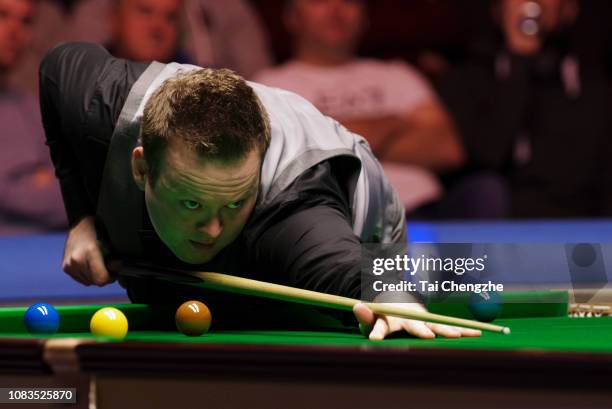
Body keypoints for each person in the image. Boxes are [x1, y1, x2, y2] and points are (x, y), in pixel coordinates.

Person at [39, 42, 481, 340]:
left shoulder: (295, 216)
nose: (212, 228)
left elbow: (351, 269)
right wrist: (82, 217)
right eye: (192, 201)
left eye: (233, 201)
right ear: (141, 167)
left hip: (364, 229)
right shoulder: (99, 103)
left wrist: (394, 297)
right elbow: (56, 65)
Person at [254, 0, 465, 211]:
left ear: (365, 17)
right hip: (323, 218)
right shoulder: (267, 85)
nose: (336, 9)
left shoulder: (398, 75)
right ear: (292, 17)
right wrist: (393, 123)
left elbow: (447, 150)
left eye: (349, 1)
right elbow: (284, 159)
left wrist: (327, 139)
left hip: (420, 211)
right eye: (319, 2)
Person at [441, 0, 612, 217]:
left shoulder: (595, 91)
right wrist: (518, 61)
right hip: (491, 232)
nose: (532, 3)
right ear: (498, 10)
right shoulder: (466, 80)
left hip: (573, 234)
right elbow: (487, 156)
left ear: (569, 10)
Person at [69, 0, 273, 77]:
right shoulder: (84, 80)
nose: (158, 26)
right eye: (145, 12)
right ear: (113, 19)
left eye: (170, 17)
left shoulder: (199, 85)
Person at [0, 0, 66, 233]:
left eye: (26, 21)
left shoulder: (30, 108)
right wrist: (37, 179)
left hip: (45, 258)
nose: (15, 31)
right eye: (3, 15)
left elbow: (74, 193)